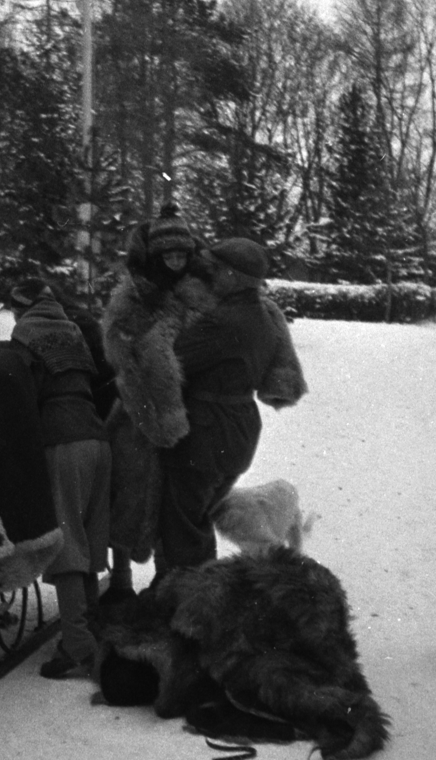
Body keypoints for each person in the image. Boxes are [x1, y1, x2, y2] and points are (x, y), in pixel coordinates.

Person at [154, 237, 304, 574]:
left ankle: (190, 599)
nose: (212, 276)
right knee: (197, 518)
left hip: (207, 433)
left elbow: (171, 361)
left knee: (184, 526)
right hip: (238, 430)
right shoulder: (265, 317)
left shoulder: (222, 321)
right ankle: (191, 592)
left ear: (234, 276)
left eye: (218, 270)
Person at [100, 205, 216, 601]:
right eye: (168, 255)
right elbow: (117, 346)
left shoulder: (200, 294)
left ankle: (168, 579)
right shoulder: (132, 295)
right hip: (136, 415)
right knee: (126, 496)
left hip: (185, 413)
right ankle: (119, 580)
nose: (176, 262)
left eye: (182, 255)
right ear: (154, 256)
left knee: (174, 503)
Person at [9, 278, 112, 679]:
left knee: (67, 544)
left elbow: (25, 391)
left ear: (20, 308)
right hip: (97, 439)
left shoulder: (26, 332)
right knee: (86, 537)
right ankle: (88, 632)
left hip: (62, 440)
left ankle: (79, 646)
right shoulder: (72, 328)